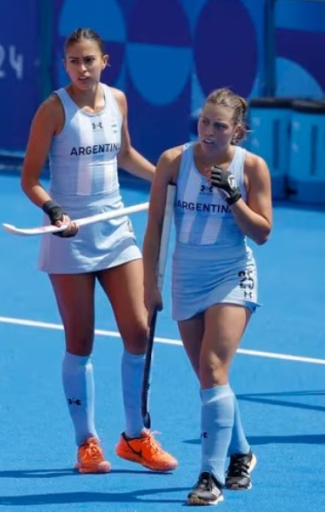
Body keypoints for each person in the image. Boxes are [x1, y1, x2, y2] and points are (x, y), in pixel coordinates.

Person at [19, 27, 177, 474]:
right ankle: (86, 442)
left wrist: (166, 180)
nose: (82, 68)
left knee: (139, 332)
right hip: (68, 236)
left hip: (115, 229)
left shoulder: (118, 101)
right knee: (80, 340)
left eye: (89, 60)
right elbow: (29, 179)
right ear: (64, 65)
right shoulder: (53, 110)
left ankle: (135, 436)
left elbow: (124, 155)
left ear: (105, 61)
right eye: (74, 61)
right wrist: (54, 211)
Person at [143, 87, 271, 506]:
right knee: (208, 377)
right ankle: (242, 452)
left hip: (231, 273)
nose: (209, 132)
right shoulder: (172, 161)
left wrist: (234, 197)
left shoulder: (252, 168)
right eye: (204, 122)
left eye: (219, 126)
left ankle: (209, 477)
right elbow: (155, 227)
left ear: (237, 131)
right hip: (186, 276)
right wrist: (149, 284)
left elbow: (262, 233)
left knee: (214, 366)